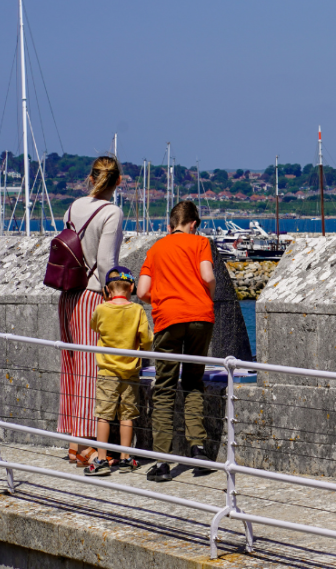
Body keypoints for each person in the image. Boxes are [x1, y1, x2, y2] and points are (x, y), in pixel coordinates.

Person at [137, 200, 217, 483]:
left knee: (165, 388)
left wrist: (162, 298)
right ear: (193, 224)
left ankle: (163, 461)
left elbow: (143, 291)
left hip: (168, 319)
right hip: (200, 317)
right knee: (194, 382)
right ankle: (198, 449)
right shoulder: (200, 243)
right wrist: (209, 291)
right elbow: (208, 275)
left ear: (169, 226)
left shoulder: (156, 248)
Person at [58, 156, 124, 467]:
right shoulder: (111, 212)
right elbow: (107, 261)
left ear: (90, 177)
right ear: (118, 182)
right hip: (92, 296)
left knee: (70, 367)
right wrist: (116, 295)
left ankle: (73, 442)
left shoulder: (72, 207)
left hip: (67, 293)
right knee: (89, 370)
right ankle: (86, 446)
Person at [84, 266, 152, 476]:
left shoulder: (102, 309)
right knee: (127, 415)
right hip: (130, 372)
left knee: (104, 415)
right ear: (131, 287)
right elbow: (148, 339)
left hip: (107, 371)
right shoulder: (137, 310)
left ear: (107, 290)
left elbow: (94, 327)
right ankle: (125, 457)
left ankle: (102, 459)